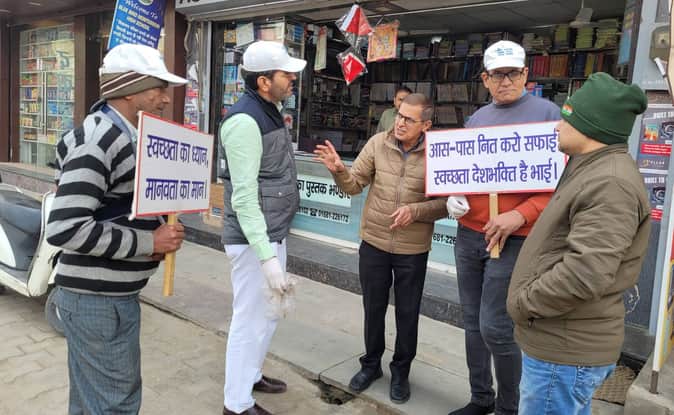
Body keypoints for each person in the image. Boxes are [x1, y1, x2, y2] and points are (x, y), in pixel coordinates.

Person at [46, 43, 187, 414]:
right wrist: (149, 241)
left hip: (106, 300)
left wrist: (157, 231)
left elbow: (115, 207)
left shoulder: (121, 135)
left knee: (93, 401)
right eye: (158, 88)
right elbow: (64, 227)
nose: (165, 99)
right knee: (115, 404)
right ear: (130, 90)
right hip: (97, 302)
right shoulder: (100, 140)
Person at [507, 72, 650, 415]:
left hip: (563, 350)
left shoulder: (610, 182)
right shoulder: (591, 167)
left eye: (567, 118)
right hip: (561, 344)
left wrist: (523, 304)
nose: (558, 126)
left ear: (591, 126)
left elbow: (584, 274)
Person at [447, 40, 560, 415]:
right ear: (485, 79)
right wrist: (455, 195)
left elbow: (562, 185)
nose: (505, 81)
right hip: (470, 235)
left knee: (495, 326)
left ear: (526, 74)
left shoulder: (548, 115)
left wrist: (521, 214)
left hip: (515, 240)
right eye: (498, 74)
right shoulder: (477, 119)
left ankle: (509, 408)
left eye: (513, 73)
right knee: (472, 323)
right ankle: (481, 397)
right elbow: (463, 170)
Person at [314, 93, 448, 404]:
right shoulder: (378, 143)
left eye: (409, 119)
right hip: (374, 242)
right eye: (399, 115)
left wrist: (416, 211)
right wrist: (338, 170)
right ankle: (371, 365)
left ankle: (401, 372)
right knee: (373, 308)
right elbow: (354, 186)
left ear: (426, 125)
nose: (400, 123)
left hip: (412, 249)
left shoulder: (439, 154)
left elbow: (448, 204)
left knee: (407, 313)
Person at [219, 41, 306, 415]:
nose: (293, 79)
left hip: (270, 235)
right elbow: (243, 197)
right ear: (263, 81)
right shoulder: (244, 121)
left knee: (267, 315)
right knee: (250, 320)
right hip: (253, 241)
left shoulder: (269, 110)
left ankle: (250, 376)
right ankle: (236, 404)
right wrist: (266, 257)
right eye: (286, 74)